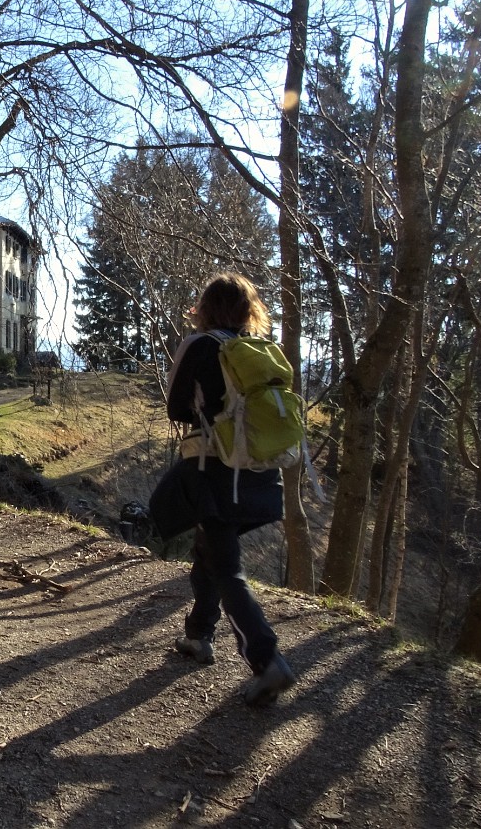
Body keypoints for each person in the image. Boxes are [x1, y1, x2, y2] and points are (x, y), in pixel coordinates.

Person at [149, 272, 298, 707]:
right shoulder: (263, 351)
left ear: (206, 307)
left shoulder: (203, 346)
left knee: (225, 566)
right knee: (210, 551)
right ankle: (198, 636)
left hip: (214, 471)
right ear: (249, 309)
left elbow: (176, 406)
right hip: (261, 473)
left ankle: (268, 660)